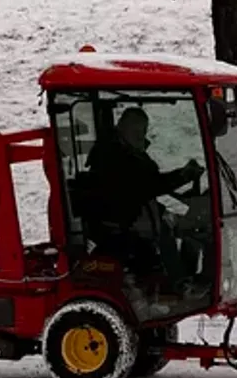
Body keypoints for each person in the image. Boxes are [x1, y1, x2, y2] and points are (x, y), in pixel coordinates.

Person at [84, 107, 203, 293]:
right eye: (135, 130)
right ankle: (178, 284)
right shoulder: (113, 155)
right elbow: (146, 185)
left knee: (174, 224)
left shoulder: (128, 151)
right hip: (121, 224)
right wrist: (183, 176)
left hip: (131, 216)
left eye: (143, 130)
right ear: (121, 127)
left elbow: (143, 186)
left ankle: (178, 282)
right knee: (165, 230)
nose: (140, 135)